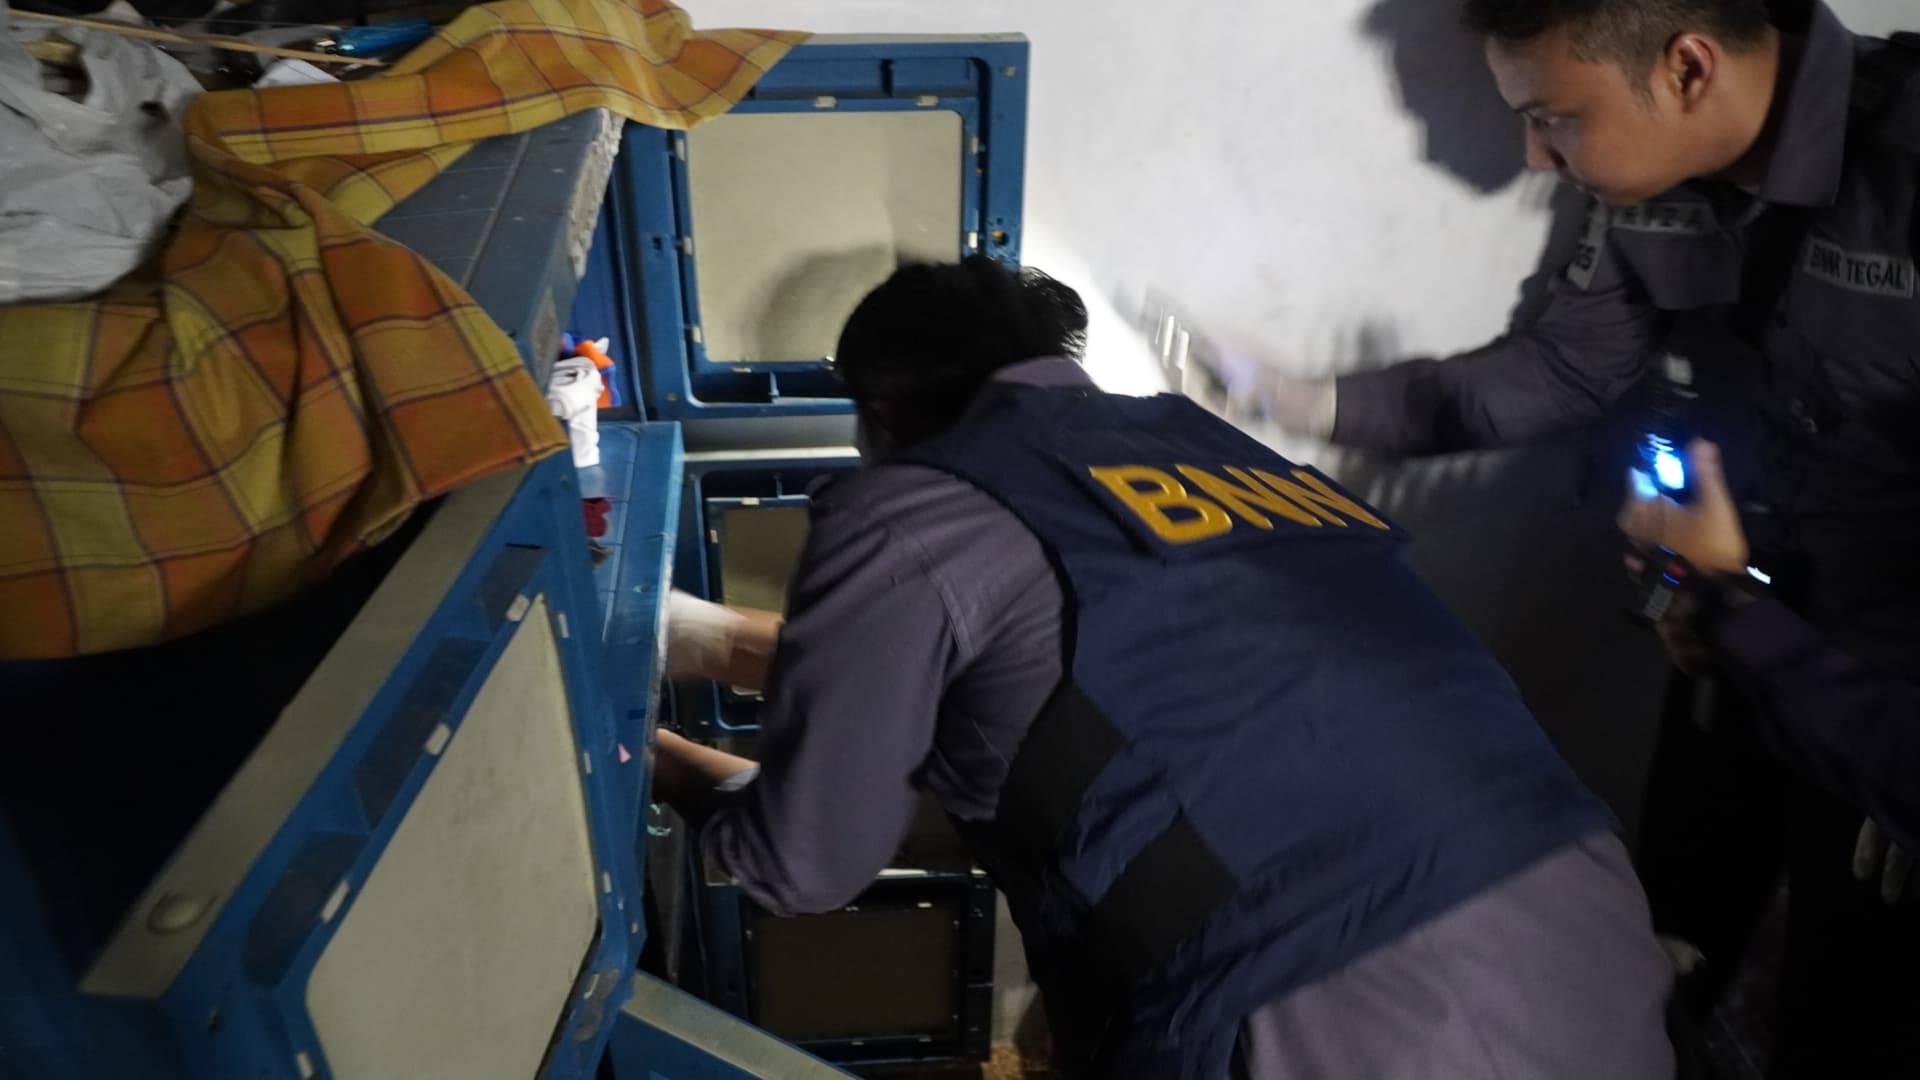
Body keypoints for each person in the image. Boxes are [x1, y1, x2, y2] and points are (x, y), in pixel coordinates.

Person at [650, 256, 1674, 1079]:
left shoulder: (908, 507)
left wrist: (642, 753)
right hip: (1590, 927)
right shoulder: (1216, 452)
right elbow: (1034, 699)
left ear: (878, 414)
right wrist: (702, 639)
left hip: (1353, 1008)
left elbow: (803, 861)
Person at [1221, 0, 1920, 1074]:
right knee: (1671, 956)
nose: (1536, 158)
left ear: (1687, 69)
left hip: (1883, 700)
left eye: (1555, 117)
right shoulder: (1653, 186)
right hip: (1734, 644)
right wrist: (1313, 404)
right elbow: (1565, 366)